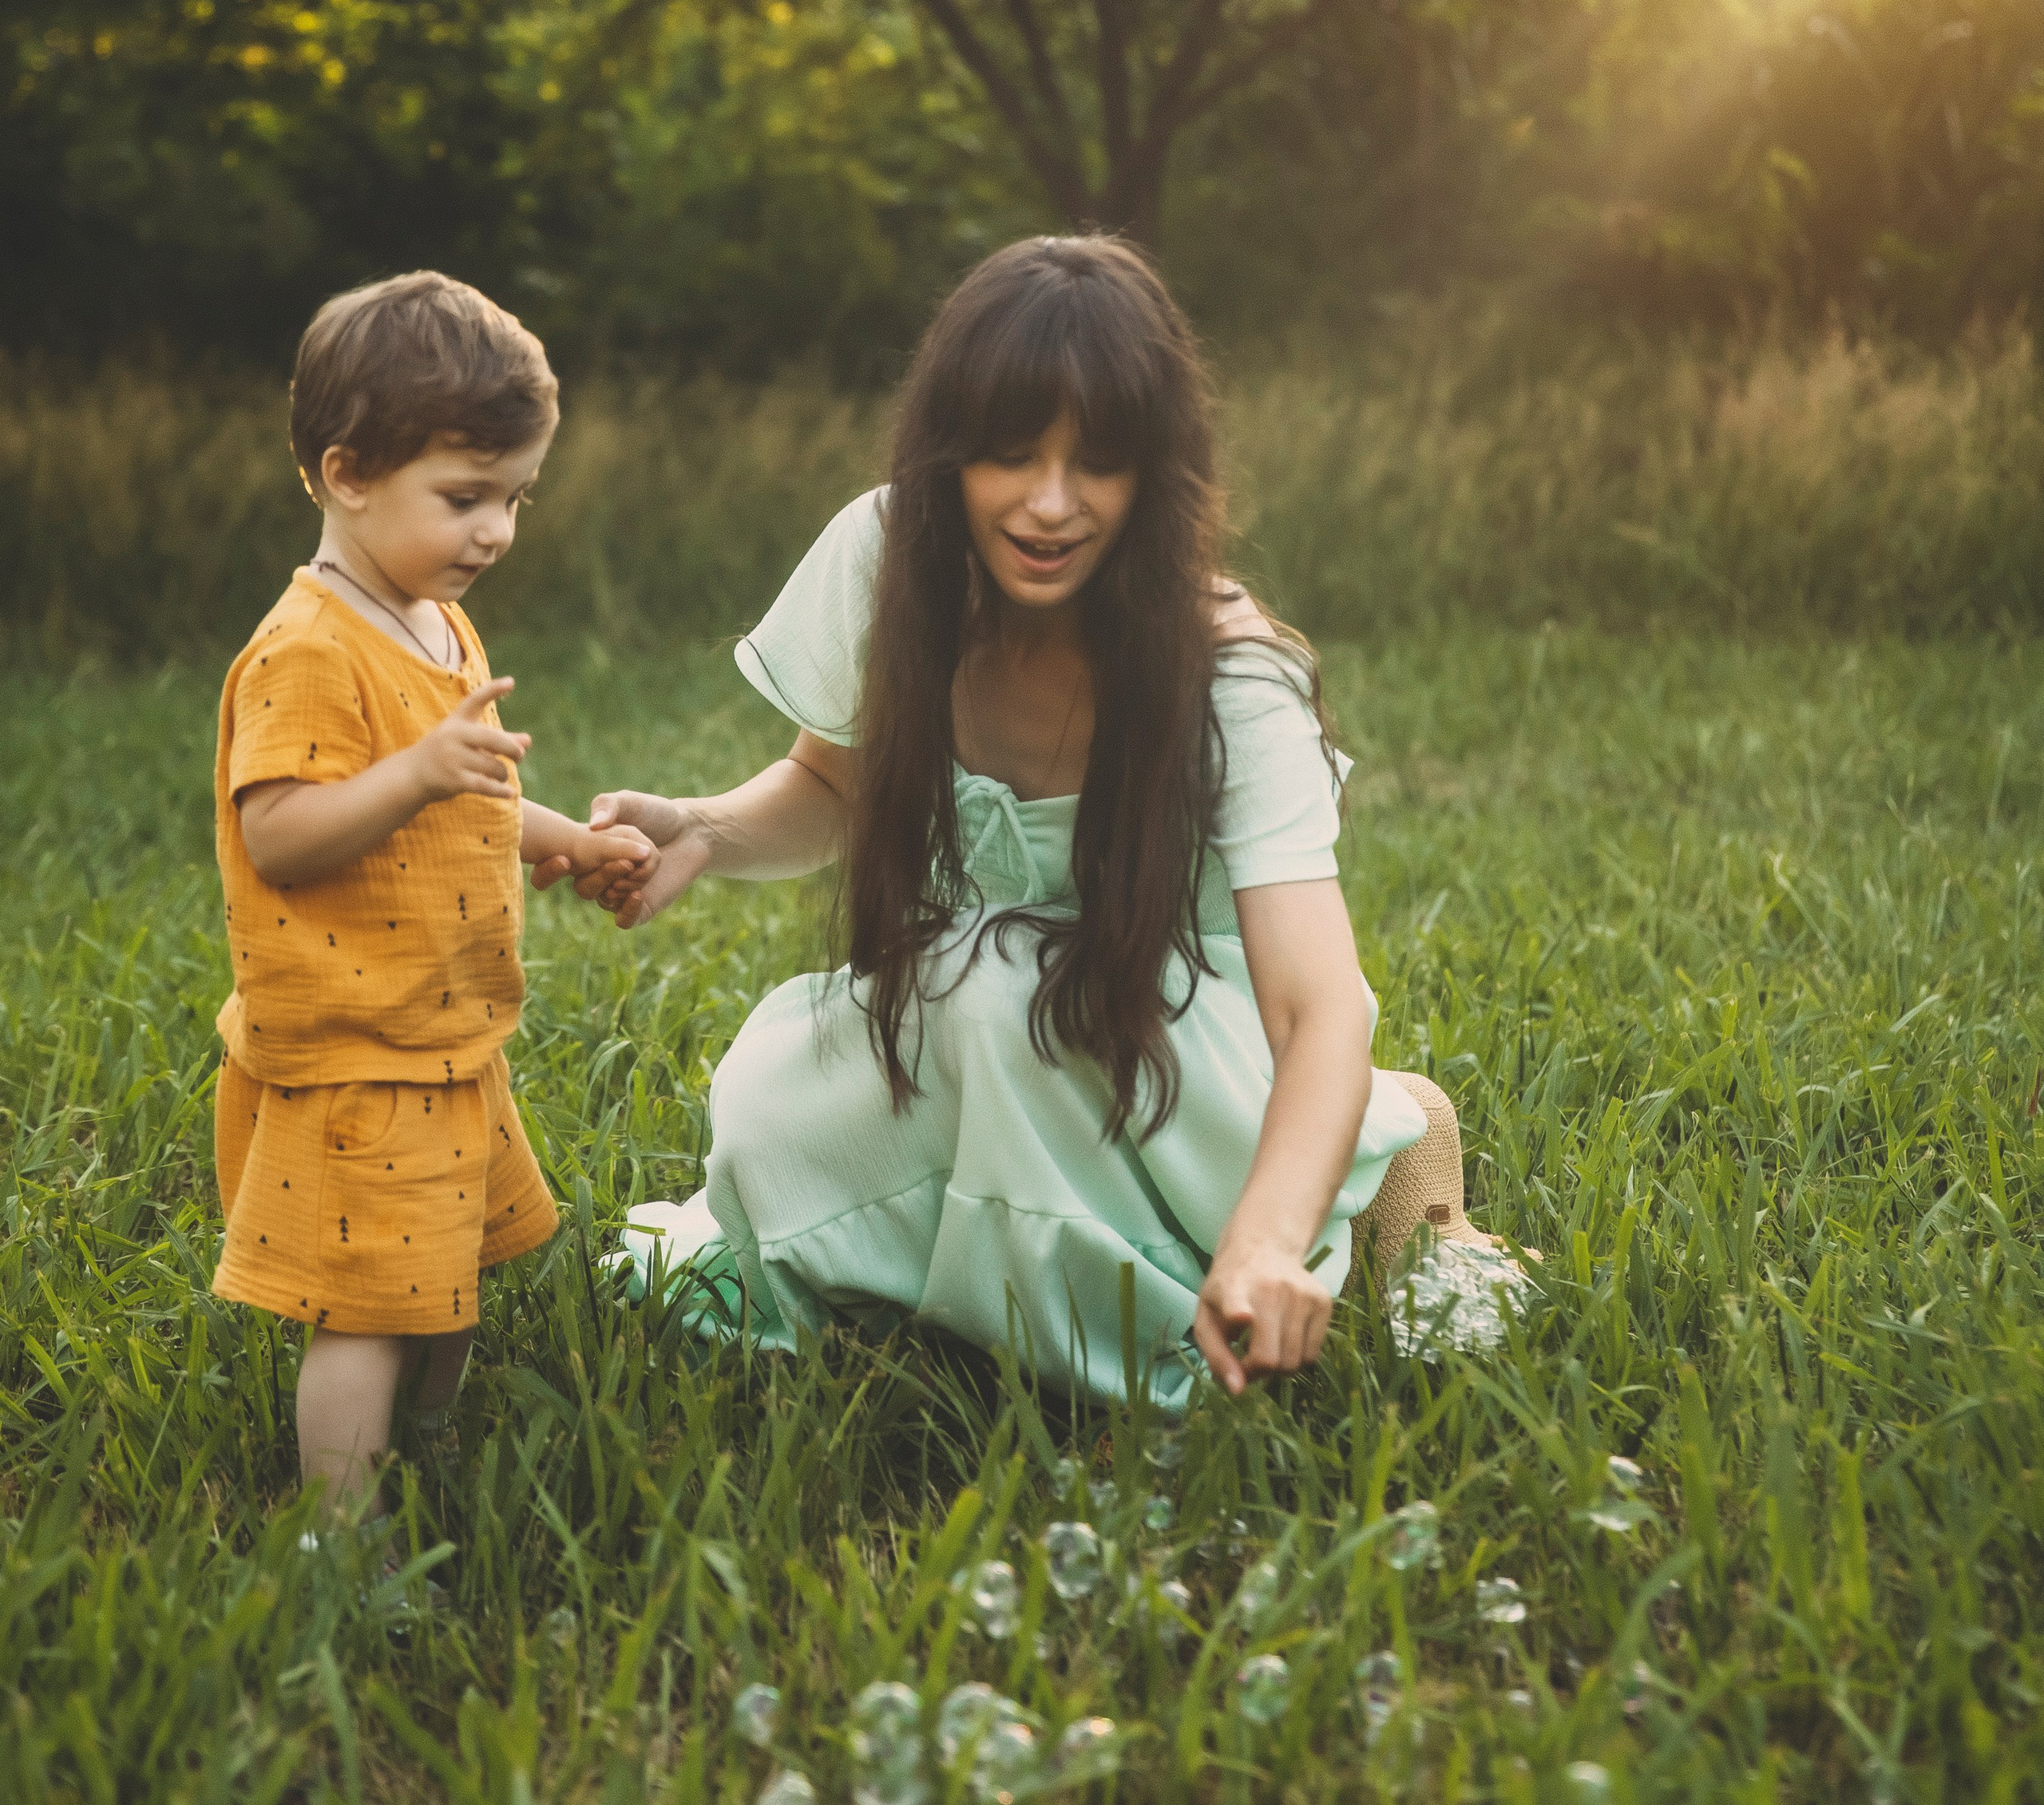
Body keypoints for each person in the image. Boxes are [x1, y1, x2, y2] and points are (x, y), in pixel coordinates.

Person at [568, 238, 1495, 1407]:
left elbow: (1320, 1003)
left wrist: (1262, 1241)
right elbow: (838, 784)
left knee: (1006, 1001)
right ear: (950, 452)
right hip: (972, 1026)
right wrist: (702, 827)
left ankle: (1377, 1148)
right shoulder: (886, 558)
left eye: (1096, 465)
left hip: (1162, 1054)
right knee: (777, 1121)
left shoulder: (1230, 679)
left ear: (1154, 477)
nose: (1050, 505)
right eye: (1011, 455)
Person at [211, 271, 655, 1514]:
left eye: (515, 497)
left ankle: (431, 1454)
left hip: (443, 1033)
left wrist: (562, 838)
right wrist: (412, 773)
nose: (496, 531)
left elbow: (465, 795)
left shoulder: (432, 619)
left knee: (445, 1268)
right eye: (466, 497)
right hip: (359, 1047)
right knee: (363, 1310)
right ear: (349, 473)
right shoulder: (306, 649)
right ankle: (342, 1536)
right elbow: (283, 834)